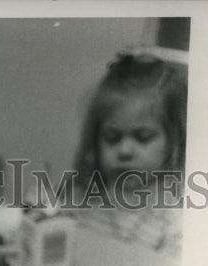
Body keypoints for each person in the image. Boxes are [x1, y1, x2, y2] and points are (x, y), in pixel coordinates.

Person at [72, 52, 188, 254]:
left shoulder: (176, 218)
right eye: (112, 138)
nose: (124, 150)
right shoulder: (84, 196)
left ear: (174, 141)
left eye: (143, 137)